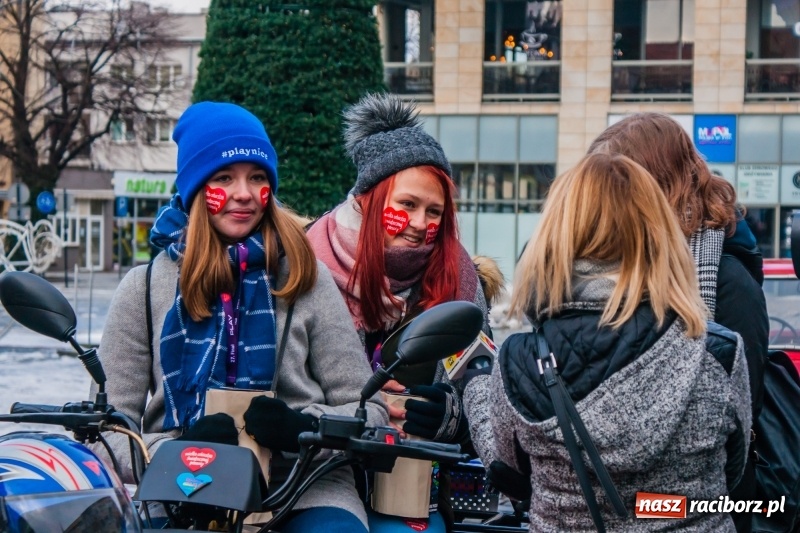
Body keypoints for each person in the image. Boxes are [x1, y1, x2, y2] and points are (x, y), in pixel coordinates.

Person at [91, 101, 388, 533]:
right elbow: (104, 433)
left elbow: (369, 412)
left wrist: (304, 429)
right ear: (195, 189)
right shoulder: (143, 288)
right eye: (224, 178)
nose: (245, 193)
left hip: (302, 490)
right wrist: (176, 450)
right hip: (181, 490)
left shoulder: (306, 277)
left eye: (258, 177)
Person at [492, 152, 751, 531]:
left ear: (554, 232)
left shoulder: (518, 361)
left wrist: (473, 392)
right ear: (658, 230)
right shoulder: (718, 352)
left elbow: (510, 471)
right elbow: (734, 470)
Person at [306, 92, 501, 529]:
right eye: (407, 205)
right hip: (316, 479)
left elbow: (488, 398)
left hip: (412, 489)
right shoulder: (303, 266)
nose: (419, 224)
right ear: (367, 200)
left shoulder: (460, 281)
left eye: (434, 212)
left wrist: (447, 417)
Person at [588, 112, 768, 533]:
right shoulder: (608, 273)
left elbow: (735, 423)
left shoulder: (728, 283)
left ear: (659, 189)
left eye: (616, 185)